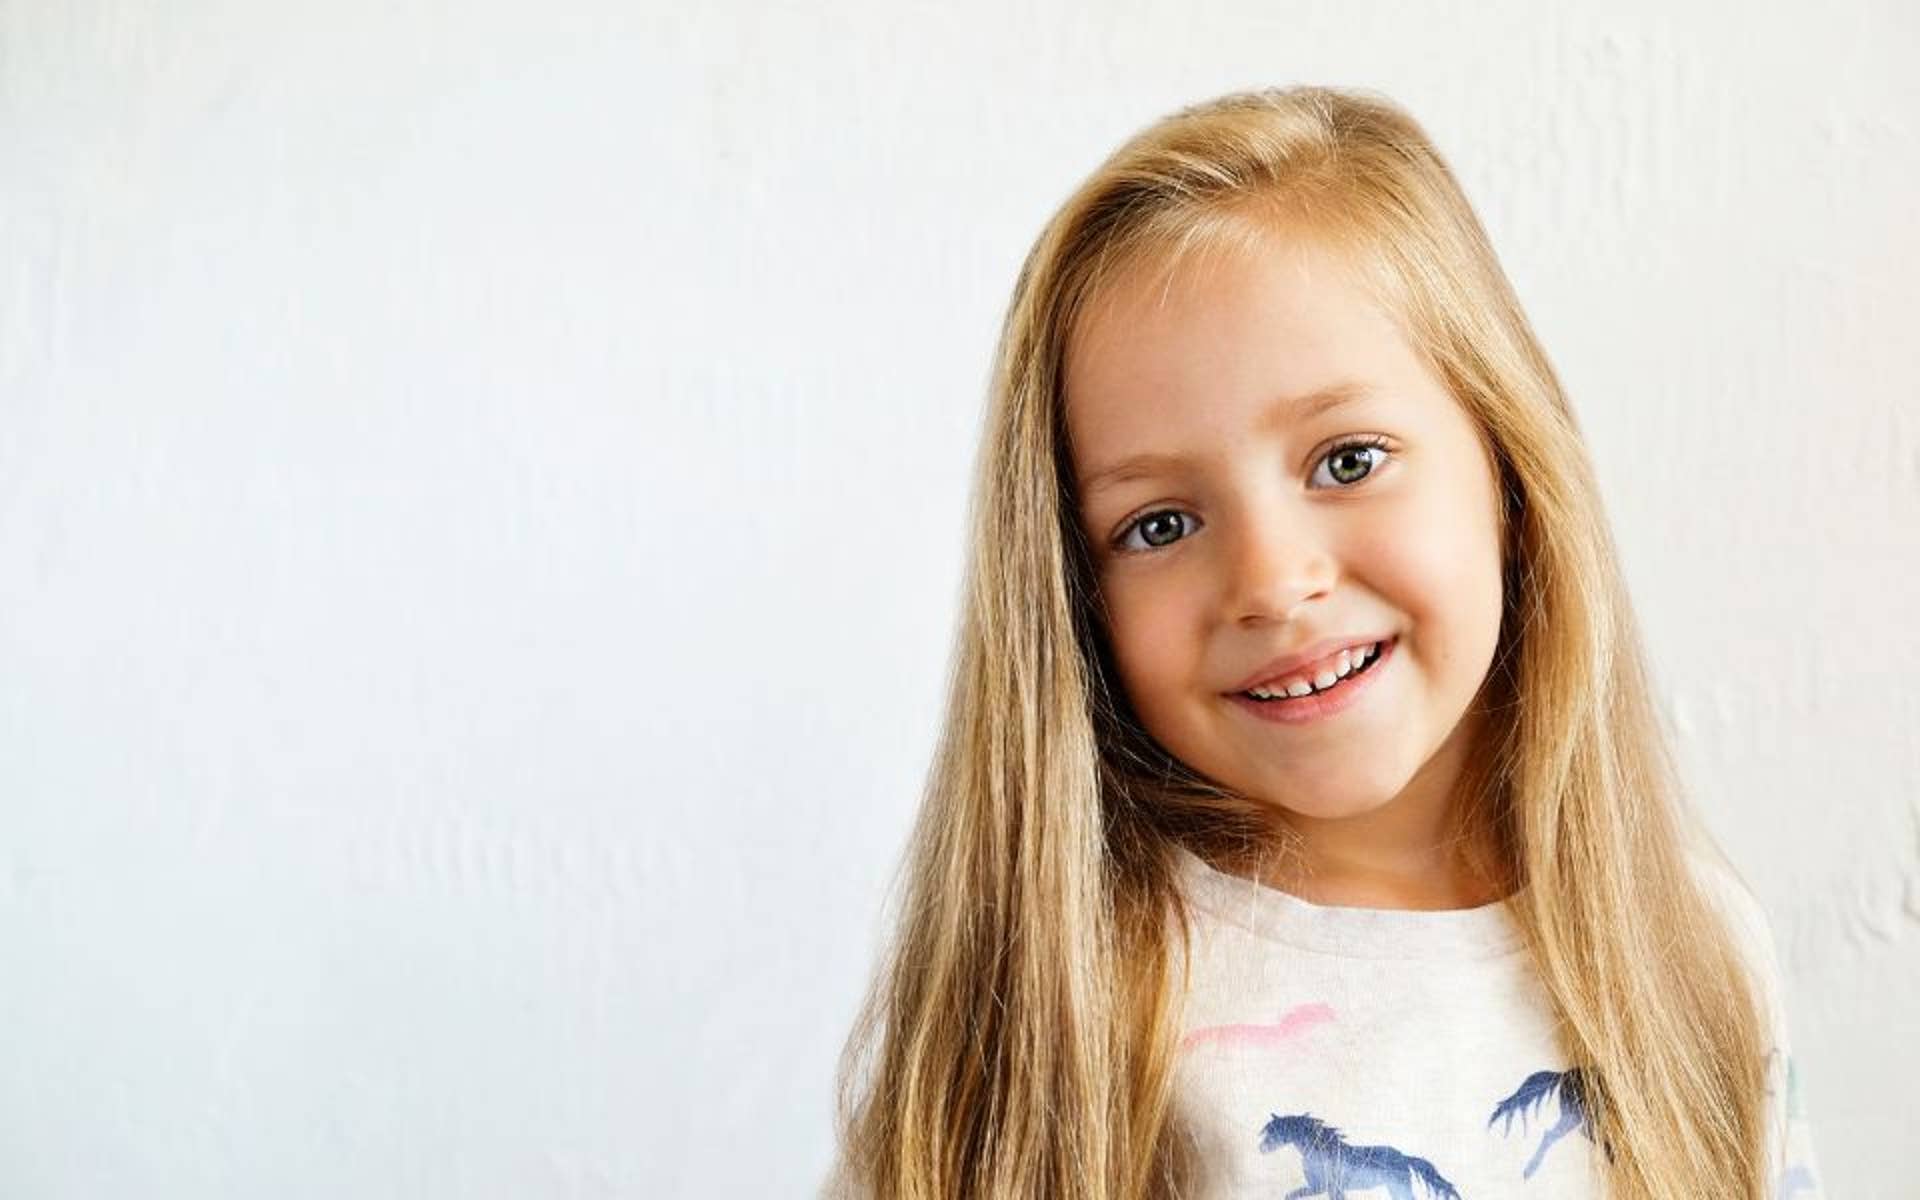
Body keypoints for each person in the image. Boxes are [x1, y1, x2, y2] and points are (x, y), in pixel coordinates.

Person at [821, 85, 1823, 1198]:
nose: (1271, 581)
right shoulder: (1063, 1019)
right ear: (1072, 597)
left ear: (1507, 463)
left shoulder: (1697, 949)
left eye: (1347, 460)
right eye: (1158, 524)